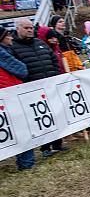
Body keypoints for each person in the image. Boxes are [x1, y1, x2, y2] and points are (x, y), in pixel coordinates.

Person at [11, 17, 66, 158]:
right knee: (41, 117)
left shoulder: (40, 42)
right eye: (26, 28)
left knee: (56, 113)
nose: (30, 30)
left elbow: (53, 58)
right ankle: (45, 147)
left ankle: (58, 143)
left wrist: (55, 74)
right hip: (31, 87)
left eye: (31, 27)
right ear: (18, 29)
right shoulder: (13, 47)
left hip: (50, 84)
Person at [0, 25, 33, 170]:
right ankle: (26, 162)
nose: (11, 37)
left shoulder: (6, 51)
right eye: (8, 35)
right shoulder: (2, 54)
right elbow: (22, 70)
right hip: (9, 95)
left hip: (10, 93)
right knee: (21, 128)